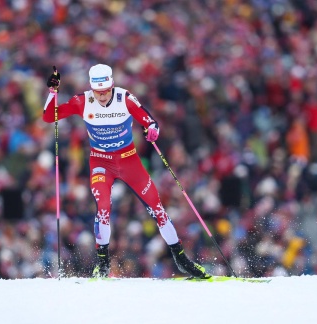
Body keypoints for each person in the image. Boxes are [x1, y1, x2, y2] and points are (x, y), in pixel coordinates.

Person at [42, 64, 210, 279]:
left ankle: (181, 259)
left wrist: (152, 130)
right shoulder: (82, 101)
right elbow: (49, 116)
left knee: (157, 208)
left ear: (112, 86)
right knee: (103, 207)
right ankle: (102, 264)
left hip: (128, 160)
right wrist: (52, 92)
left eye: (106, 91)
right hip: (100, 162)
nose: (102, 97)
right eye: (98, 92)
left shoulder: (125, 98)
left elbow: (148, 120)